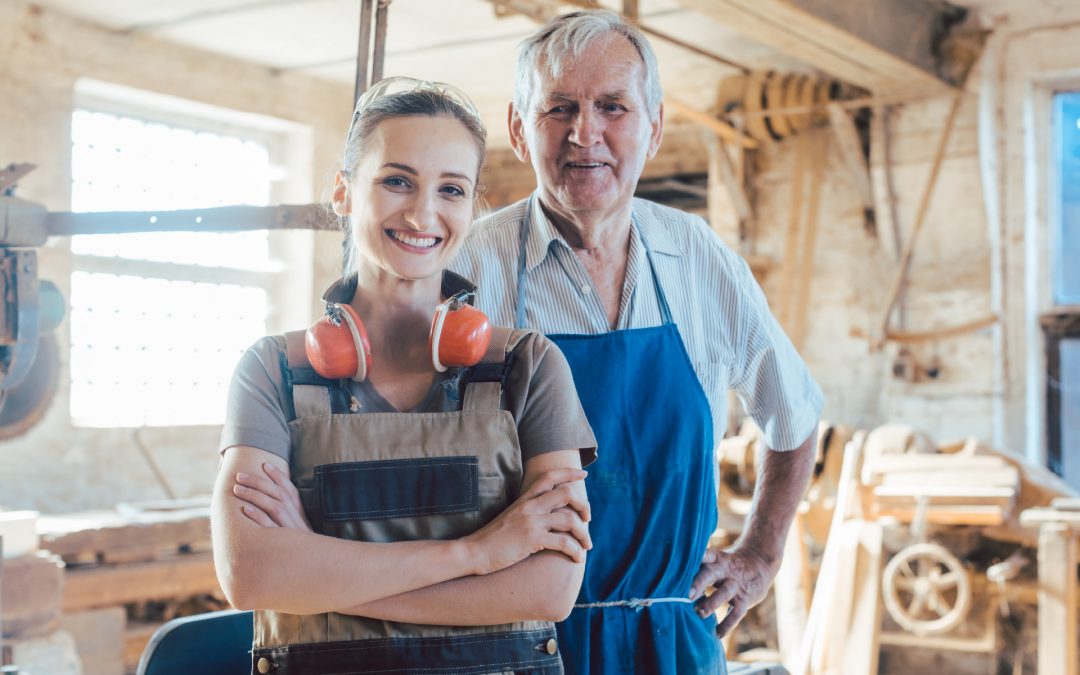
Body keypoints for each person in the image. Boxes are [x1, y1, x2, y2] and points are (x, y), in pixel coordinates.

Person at [448, 10, 825, 674]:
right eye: (559, 107)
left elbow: (793, 414)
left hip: (671, 644)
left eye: (612, 107)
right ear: (518, 128)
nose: (584, 132)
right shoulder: (465, 270)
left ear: (653, 127)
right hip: (511, 644)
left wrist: (762, 555)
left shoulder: (698, 257)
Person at [211, 77, 598, 674]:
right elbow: (251, 574)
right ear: (343, 192)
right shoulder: (273, 371)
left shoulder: (527, 366)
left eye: (451, 189)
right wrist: (479, 553)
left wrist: (317, 576)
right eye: (397, 181)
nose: (423, 213)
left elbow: (548, 589)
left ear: (470, 206)